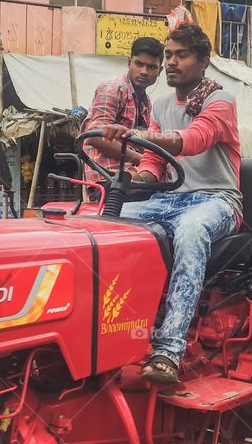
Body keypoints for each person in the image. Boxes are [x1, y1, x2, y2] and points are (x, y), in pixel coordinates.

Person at [100, 23, 241, 384]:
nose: (172, 62)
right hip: (170, 198)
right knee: (105, 221)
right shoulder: (161, 104)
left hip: (218, 200)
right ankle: (108, 334)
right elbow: (155, 163)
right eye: (169, 55)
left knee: (191, 231)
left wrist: (142, 136)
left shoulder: (219, 101)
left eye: (182, 55)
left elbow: (193, 140)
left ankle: (168, 349)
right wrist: (139, 178)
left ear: (203, 62)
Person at [80, 37, 164, 181]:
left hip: (130, 172)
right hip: (107, 175)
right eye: (139, 64)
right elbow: (94, 137)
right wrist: (141, 159)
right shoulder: (113, 88)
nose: (144, 71)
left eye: (151, 67)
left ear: (160, 70)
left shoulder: (146, 102)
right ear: (129, 62)